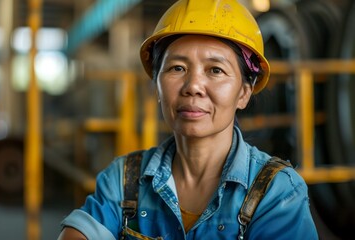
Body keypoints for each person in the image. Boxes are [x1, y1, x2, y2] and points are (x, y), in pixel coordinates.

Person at [58, 0, 318, 239]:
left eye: (215, 70)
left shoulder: (276, 192)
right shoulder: (125, 179)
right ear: (157, 86)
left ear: (244, 93)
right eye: (177, 68)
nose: (193, 86)